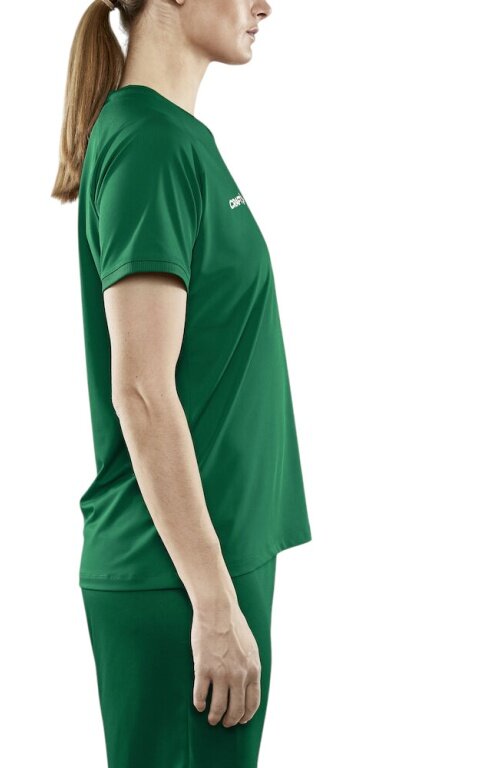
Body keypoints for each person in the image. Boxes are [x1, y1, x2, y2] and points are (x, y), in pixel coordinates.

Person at [52, 1, 312, 765]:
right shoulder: (150, 144)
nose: (266, 5)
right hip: (181, 582)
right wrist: (213, 604)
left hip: (209, 564)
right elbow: (140, 390)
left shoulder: (174, 139)